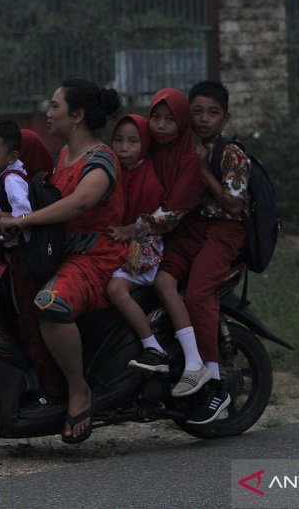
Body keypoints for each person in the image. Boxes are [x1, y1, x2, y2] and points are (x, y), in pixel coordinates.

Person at [0, 78, 125, 444]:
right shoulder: (66, 154)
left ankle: (78, 389)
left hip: (96, 258)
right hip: (64, 255)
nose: (47, 113)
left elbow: (80, 203)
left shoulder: (101, 160)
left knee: (51, 303)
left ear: (78, 115)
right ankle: (46, 389)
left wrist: (24, 221)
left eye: (55, 107)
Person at [153, 80, 251, 424]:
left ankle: (214, 378)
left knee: (198, 293)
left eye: (212, 113)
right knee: (162, 278)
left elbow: (235, 205)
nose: (204, 119)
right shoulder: (183, 148)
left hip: (225, 230)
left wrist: (203, 170)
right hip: (192, 228)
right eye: (197, 112)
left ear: (225, 117)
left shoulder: (230, 154)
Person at [121, 88, 206, 376]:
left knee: (163, 284)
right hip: (150, 236)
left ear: (182, 122)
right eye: (155, 117)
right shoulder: (150, 151)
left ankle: (193, 361)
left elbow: (172, 214)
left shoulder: (190, 160)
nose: (160, 125)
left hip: (182, 236)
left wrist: (134, 227)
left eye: (169, 119)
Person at [105, 114, 168, 372]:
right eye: (118, 140)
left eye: (133, 141)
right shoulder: (118, 173)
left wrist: (128, 230)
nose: (123, 148)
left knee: (115, 289)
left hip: (145, 248)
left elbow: (153, 221)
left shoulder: (149, 177)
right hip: (124, 241)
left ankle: (152, 346)